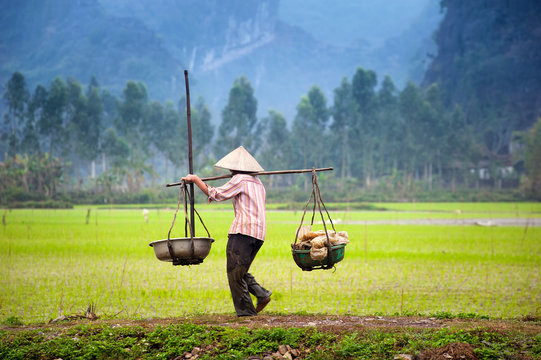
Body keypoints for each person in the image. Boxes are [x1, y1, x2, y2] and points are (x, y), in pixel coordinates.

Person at [182, 146, 272, 316]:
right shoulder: (258, 182)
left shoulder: (240, 179)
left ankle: (246, 313)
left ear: (235, 168)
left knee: (234, 273)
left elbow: (215, 194)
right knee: (240, 270)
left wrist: (195, 179)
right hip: (259, 234)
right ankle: (261, 294)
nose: (230, 170)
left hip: (243, 232)